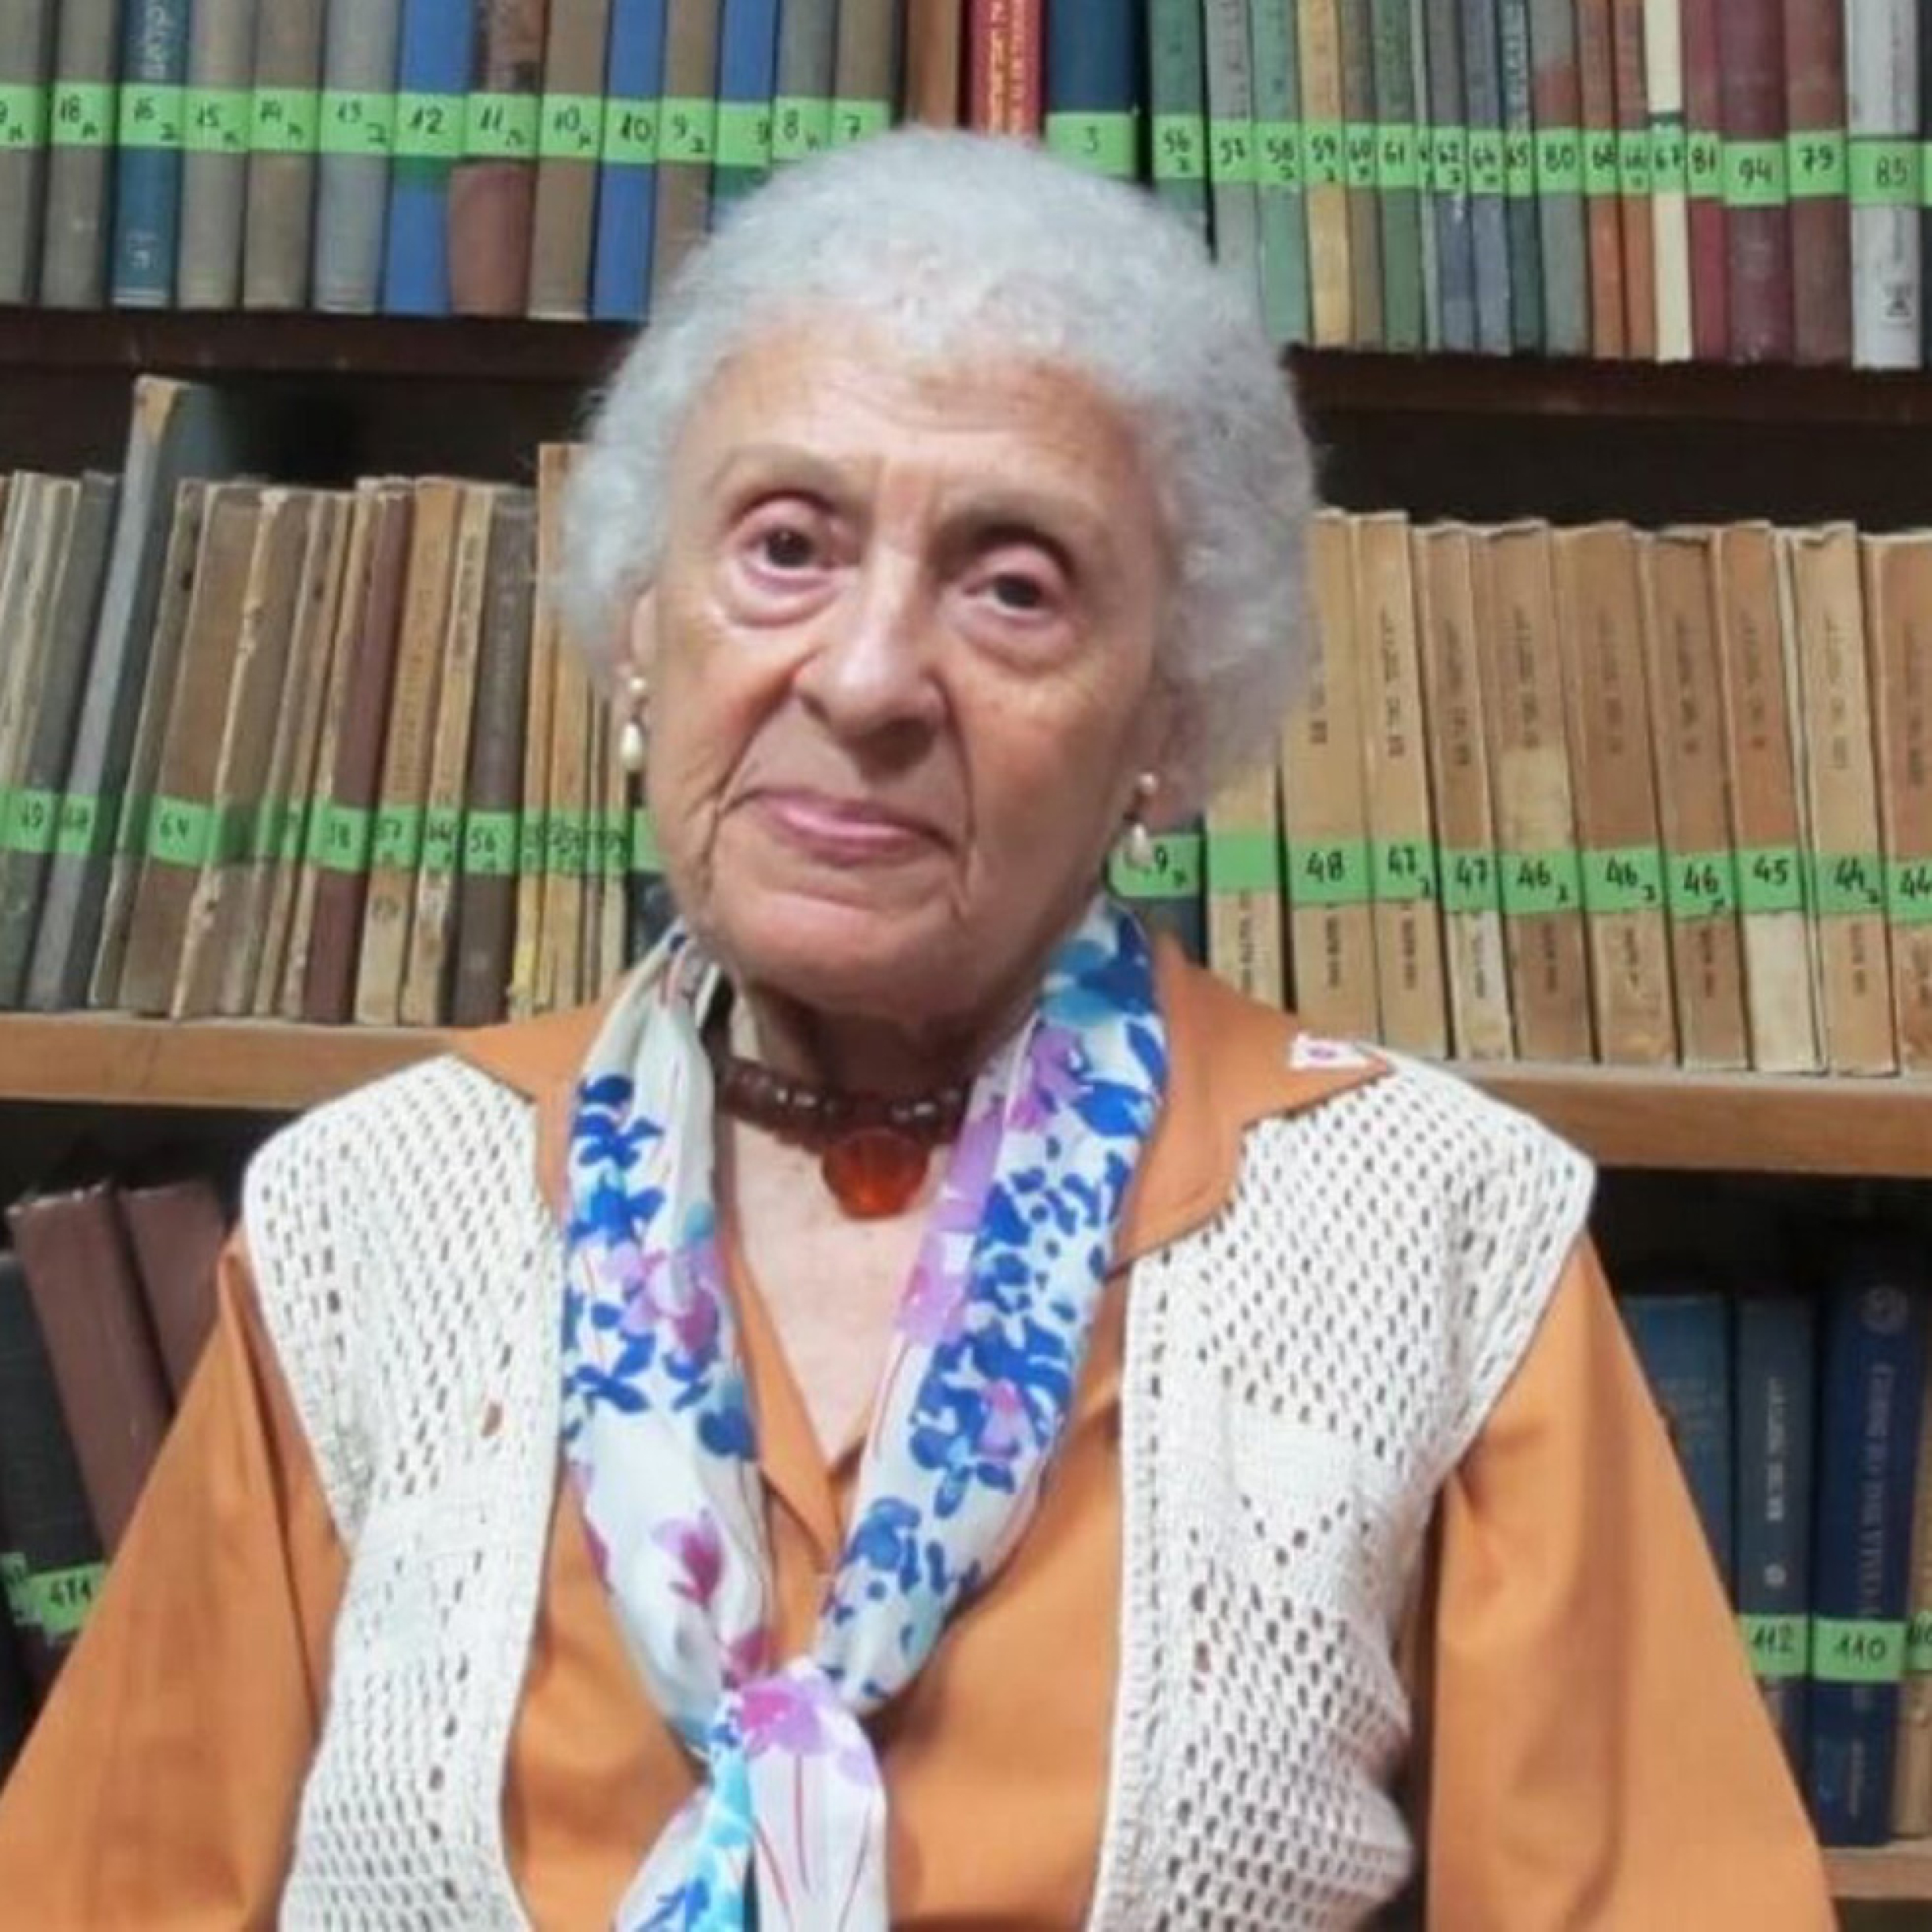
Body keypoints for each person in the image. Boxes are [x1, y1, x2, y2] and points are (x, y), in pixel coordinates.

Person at [0, 131, 1831, 1930]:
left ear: (1166, 720)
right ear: (641, 630)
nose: (869, 677)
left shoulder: (1431, 1233)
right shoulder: (368, 1216)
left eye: (1012, 583)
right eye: (784, 544)